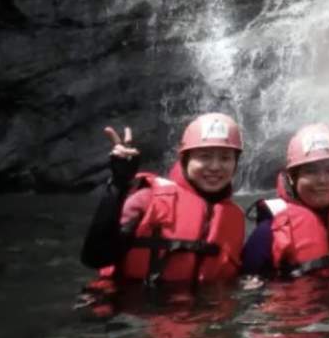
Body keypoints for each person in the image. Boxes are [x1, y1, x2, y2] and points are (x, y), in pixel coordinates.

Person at [80, 112, 246, 285]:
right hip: (133, 306)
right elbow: (95, 257)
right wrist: (118, 185)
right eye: (204, 157)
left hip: (202, 308)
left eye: (225, 158)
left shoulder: (235, 217)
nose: (215, 167)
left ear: (235, 163)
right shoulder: (147, 199)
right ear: (184, 160)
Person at [242, 123, 329, 279]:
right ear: (292, 178)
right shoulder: (269, 231)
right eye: (311, 171)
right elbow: (245, 283)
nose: (322, 180)